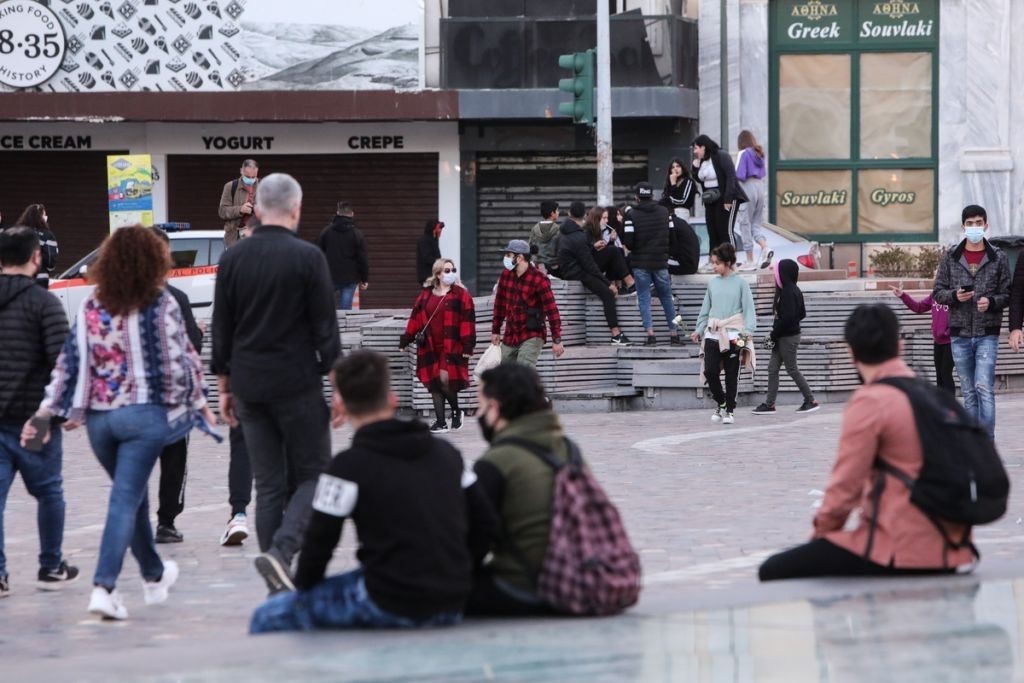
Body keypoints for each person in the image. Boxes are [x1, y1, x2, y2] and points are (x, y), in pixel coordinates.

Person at [24, 226, 214, 620]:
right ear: (154, 260)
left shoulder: (93, 304)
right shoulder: (161, 304)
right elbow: (181, 359)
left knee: (133, 497)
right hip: (144, 417)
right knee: (125, 499)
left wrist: (48, 413)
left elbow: (68, 365)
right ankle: (104, 586)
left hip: (100, 424)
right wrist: (199, 403)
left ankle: (154, 574)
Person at [249, 351, 497, 634]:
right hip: (452, 598)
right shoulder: (449, 454)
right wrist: (459, 571)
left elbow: (319, 545)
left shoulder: (345, 468)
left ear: (340, 403)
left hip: (387, 599)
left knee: (268, 615)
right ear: (392, 398)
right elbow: (486, 524)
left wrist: (303, 595)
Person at [759, 304, 975, 581]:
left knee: (772, 569)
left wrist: (820, 540)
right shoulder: (937, 397)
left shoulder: (870, 401)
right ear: (899, 347)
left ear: (851, 352)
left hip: (899, 552)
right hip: (956, 550)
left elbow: (844, 489)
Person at [212, 173, 341, 595]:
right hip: (297, 382)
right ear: (296, 209)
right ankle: (282, 554)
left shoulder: (233, 260)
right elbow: (325, 326)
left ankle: (277, 580)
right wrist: (338, 381)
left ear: (258, 207)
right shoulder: (308, 258)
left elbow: (223, 328)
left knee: (267, 484)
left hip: (249, 383)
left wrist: (224, 384)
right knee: (315, 474)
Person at [0, 227, 77, 597]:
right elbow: (64, 364)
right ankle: (51, 565)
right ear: (36, 257)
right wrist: (54, 416)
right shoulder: (44, 304)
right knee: (49, 492)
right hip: (34, 423)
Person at [464, 363, 572, 615]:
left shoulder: (497, 462)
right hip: (574, 574)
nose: (479, 414)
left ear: (496, 408)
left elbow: (473, 542)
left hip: (526, 585)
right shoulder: (567, 448)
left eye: (480, 406)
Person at [932, 205, 1010, 439]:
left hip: (987, 331)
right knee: (968, 392)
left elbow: (1007, 293)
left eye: (979, 223)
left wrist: (992, 302)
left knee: (984, 387)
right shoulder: (951, 256)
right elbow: (937, 292)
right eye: (970, 223)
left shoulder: (998, 257)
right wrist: (955, 296)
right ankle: (972, 445)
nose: (975, 227)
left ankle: (987, 444)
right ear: (963, 226)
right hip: (959, 333)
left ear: (986, 226)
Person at [153, 229, 205, 544]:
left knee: (134, 462)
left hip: (132, 401)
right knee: (174, 459)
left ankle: (130, 518)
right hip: (172, 398)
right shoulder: (176, 298)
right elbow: (192, 347)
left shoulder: (119, 296)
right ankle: (167, 522)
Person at [400, 258, 476, 433]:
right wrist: (406, 339)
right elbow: (415, 318)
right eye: (447, 271)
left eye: (453, 270)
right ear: (438, 274)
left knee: (443, 379)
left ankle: (456, 410)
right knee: (434, 383)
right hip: (430, 345)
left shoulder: (461, 295)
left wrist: (467, 346)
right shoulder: (425, 295)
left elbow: (468, 321)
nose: (451, 274)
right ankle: (441, 422)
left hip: (452, 345)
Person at [691, 243, 757, 425]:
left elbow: (749, 311)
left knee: (732, 374)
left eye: (717, 263)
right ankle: (720, 402)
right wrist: (698, 329)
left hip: (737, 334)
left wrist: (748, 333)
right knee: (710, 371)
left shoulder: (741, 283)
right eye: (712, 263)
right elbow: (705, 309)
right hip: (713, 334)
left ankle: (729, 410)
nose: (714, 266)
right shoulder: (712, 283)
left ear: (728, 262)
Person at [558, 203, 632, 347]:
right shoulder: (579, 235)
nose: (606, 221)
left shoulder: (565, 232)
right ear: (584, 215)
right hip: (578, 273)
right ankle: (616, 334)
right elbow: (589, 266)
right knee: (608, 294)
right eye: (603, 218)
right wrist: (607, 283)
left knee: (612, 251)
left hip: (575, 269)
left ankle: (629, 283)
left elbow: (579, 254)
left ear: (568, 214)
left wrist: (592, 247)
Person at [752, 259, 818, 415]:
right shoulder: (793, 290)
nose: (776, 277)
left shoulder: (789, 292)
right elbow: (801, 314)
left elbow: (788, 318)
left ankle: (811, 400)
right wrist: (778, 332)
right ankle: (770, 404)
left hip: (787, 338)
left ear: (783, 274)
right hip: (782, 336)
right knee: (772, 369)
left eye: (777, 274)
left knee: (792, 369)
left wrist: (774, 334)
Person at [622, 182, 681, 346]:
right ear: (652, 196)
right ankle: (674, 334)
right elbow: (673, 237)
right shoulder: (664, 212)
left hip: (640, 264)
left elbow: (629, 242)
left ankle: (650, 335)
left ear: (637, 197)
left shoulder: (631, 215)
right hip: (661, 263)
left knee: (644, 298)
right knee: (667, 298)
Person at [491, 239, 564, 367]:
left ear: (519, 258)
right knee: (504, 376)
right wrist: (495, 330)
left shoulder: (539, 279)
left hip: (532, 333)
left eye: (508, 255)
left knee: (522, 373)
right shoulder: (506, 275)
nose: (505, 258)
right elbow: (499, 304)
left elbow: (551, 310)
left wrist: (556, 339)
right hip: (511, 333)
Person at [891, 276, 954, 396]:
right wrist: (902, 295)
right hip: (938, 342)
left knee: (946, 374)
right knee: (939, 375)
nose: (937, 281)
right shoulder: (934, 296)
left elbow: (960, 317)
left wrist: (948, 331)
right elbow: (918, 307)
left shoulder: (953, 296)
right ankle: (941, 406)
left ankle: (951, 407)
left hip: (950, 342)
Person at [691, 134, 747, 251]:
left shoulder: (721, 155)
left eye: (696, 148)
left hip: (726, 197)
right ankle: (714, 261)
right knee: (713, 231)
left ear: (703, 147)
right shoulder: (702, 161)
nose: (695, 152)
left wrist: (728, 199)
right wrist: (695, 168)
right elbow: (700, 179)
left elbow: (731, 177)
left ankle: (730, 261)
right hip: (711, 200)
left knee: (725, 231)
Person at [317, 201, 369, 310]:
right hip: (350, 278)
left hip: (329, 276)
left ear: (337, 213)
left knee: (325, 308)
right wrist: (364, 279)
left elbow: (317, 254)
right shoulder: (357, 234)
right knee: (346, 311)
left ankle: (328, 326)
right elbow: (362, 258)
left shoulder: (325, 232)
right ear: (352, 214)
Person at [735, 130, 771, 270]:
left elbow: (740, 174)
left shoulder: (743, 154)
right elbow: (763, 173)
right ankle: (765, 248)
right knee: (755, 225)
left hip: (747, 187)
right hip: (760, 187)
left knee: (745, 223)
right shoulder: (758, 153)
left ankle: (749, 260)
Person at [582, 205, 635, 291]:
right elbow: (583, 252)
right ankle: (630, 282)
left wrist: (610, 240)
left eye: (607, 218)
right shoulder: (586, 231)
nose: (607, 221)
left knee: (618, 250)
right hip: (588, 267)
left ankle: (618, 285)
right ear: (596, 218)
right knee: (613, 250)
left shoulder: (597, 230)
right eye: (604, 218)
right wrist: (594, 246)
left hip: (594, 262)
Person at [14, 204, 58, 289]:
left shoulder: (17, 233)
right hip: (40, 278)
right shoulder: (47, 235)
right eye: (44, 214)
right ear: (40, 217)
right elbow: (50, 260)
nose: (46, 217)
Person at [218, 159, 259, 247]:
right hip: (234, 238)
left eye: (253, 177)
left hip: (256, 236)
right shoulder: (231, 186)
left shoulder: (263, 186)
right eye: (247, 177)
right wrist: (240, 210)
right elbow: (222, 211)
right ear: (241, 171)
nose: (251, 180)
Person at [529, 201, 562, 276]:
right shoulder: (559, 230)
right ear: (552, 213)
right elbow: (561, 250)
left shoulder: (534, 229)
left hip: (538, 268)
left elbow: (531, 247)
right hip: (555, 269)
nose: (558, 212)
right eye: (557, 210)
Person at [416, 219, 443, 285]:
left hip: (433, 275)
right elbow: (427, 258)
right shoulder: (424, 240)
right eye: (439, 228)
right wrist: (440, 264)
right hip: (427, 276)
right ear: (433, 229)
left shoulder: (433, 240)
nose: (440, 230)